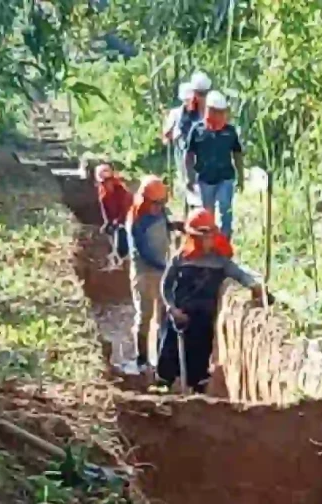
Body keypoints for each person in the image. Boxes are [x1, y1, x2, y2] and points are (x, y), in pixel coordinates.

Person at [158, 208, 263, 394]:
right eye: (203, 237)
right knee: (169, 351)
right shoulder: (180, 259)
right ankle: (163, 386)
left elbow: (239, 274)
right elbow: (166, 286)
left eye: (210, 236)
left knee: (199, 357)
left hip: (204, 318)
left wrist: (253, 285)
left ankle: (198, 393)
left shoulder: (220, 261)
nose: (208, 241)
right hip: (179, 316)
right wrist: (172, 309)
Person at [126, 176, 172, 375]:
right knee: (145, 316)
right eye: (156, 203)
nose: (159, 207)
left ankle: (162, 361)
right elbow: (144, 251)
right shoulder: (137, 220)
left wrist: (175, 226)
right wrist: (164, 266)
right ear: (145, 200)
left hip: (162, 270)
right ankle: (142, 359)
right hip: (145, 273)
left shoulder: (160, 212)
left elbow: (165, 226)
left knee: (163, 316)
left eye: (162, 203)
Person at [185, 90, 245, 241]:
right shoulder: (197, 130)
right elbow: (189, 155)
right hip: (205, 178)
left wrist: (241, 176)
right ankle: (209, 242)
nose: (220, 116)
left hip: (225, 177)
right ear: (209, 111)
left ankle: (225, 240)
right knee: (207, 212)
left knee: (225, 209)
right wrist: (190, 177)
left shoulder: (230, 132)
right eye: (216, 112)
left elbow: (237, 154)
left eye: (222, 112)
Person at [161, 72, 211, 204]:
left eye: (203, 93)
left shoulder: (209, 109)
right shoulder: (180, 113)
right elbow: (168, 134)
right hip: (185, 149)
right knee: (189, 180)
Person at [93, 164, 133, 263]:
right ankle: (117, 257)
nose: (107, 184)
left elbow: (127, 209)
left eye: (109, 180)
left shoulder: (122, 192)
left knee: (122, 236)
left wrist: (118, 221)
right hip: (117, 222)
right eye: (104, 182)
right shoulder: (103, 193)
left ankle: (126, 256)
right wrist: (108, 223)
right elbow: (105, 210)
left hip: (128, 220)